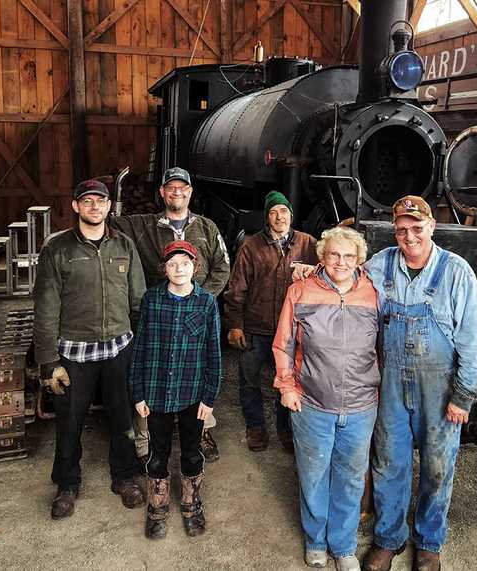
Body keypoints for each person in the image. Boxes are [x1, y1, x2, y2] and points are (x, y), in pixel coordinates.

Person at [363, 196, 477, 571]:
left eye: (417, 228)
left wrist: (464, 396)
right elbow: (343, 280)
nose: (409, 235)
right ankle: (389, 538)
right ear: (394, 231)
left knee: (438, 466)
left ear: (432, 227)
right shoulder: (379, 264)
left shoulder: (456, 272)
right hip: (392, 388)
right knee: (389, 462)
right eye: (402, 229)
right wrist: (312, 272)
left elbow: (473, 340)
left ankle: (429, 541)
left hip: (441, 388)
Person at [33, 179, 147, 520]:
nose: (95, 207)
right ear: (75, 206)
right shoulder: (58, 250)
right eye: (87, 201)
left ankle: (125, 477)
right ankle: (67, 484)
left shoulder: (124, 246)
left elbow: (138, 300)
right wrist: (48, 362)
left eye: (101, 201)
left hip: (118, 348)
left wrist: (140, 350)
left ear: (110, 206)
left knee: (122, 415)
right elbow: (46, 307)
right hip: (74, 353)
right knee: (69, 421)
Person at [273, 227, 380, 571]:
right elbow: (284, 343)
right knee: (314, 474)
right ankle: (316, 541)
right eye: (334, 254)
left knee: (351, 478)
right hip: (313, 404)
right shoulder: (300, 290)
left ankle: (344, 546)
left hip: (362, 404)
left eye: (349, 256)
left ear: (360, 260)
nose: (341, 262)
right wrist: (287, 386)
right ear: (321, 257)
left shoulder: (376, 292)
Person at [111, 167, 230, 463]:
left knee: (199, 367)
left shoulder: (207, 228)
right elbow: (109, 223)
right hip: (158, 313)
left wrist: (199, 300)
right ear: (162, 193)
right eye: (171, 188)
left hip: (195, 316)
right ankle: (144, 440)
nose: (178, 193)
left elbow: (223, 268)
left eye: (183, 188)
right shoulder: (144, 226)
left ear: (190, 192)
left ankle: (202, 432)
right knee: (151, 369)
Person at [129, 240, 222, 539]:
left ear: (195, 267)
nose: (179, 268)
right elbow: (140, 347)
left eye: (185, 263)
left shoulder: (206, 302)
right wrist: (139, 393)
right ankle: (157, 507)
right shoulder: (152, 300)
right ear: (163, 268)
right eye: (172, 263)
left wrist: (209, 396)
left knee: (192, 451)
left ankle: (191, 504)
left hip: (193, 394)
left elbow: (214, 354)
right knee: (158, 452)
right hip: (157, 391)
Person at [224, 191, 318, 452]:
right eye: (274, 212)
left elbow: (330, 267)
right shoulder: (251, 246)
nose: (280, 217)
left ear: (291, 214)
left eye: (284, 211)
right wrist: (235, 323)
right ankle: (255, 427)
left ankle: (285, 429)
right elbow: (237, 288)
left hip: (291, 329)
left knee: (286, 381)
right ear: (267, 217)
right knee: (250, 379)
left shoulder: (307, 244)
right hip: (256, 328)